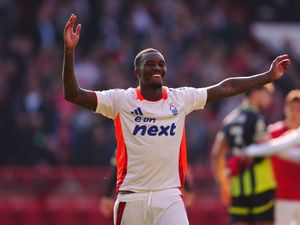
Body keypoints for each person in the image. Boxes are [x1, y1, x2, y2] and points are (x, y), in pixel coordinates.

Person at [62, 14, 291, 225]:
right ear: (137, 72)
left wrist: (268, 76)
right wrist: (69, 51)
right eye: (150, 64)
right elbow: (73, 94)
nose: (157, 68)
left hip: (170, 197)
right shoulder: (122, 101)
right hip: (132, 198)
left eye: (161, 64)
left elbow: (226, 86)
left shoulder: (180, 98)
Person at [211, 83, 278, 225]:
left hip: (236, 189)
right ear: (255, 93)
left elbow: (216, 154)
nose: (269, 99)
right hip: (261, 187)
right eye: (267, 94)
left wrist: (223, 184)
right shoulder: (257, 118)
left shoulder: (229, 119)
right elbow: (264, 146)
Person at [242, 90, 300, 225]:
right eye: (291, 109)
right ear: (285, 109)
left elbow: (271, 150)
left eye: (299, 109)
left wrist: (270, 149)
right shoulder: (272, 132)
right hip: (279, 197)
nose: (295, 113)